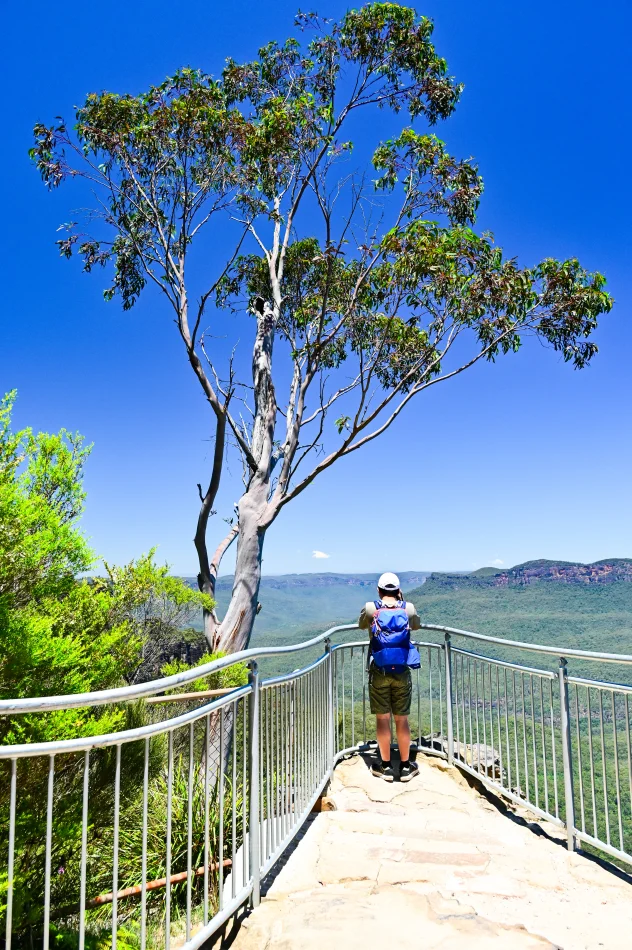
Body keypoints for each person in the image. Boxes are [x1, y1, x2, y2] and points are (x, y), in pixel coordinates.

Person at [359, 572, 421, 782]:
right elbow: (416, 625)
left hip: (379, 670)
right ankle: (405, 767)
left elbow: (361, 625)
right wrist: (402, 602)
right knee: (401, 720)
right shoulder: (408, 608)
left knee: (383, 719)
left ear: (378, 590)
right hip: (402, 670)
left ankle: (384, 767)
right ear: (398, 590)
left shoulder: (371, 608)